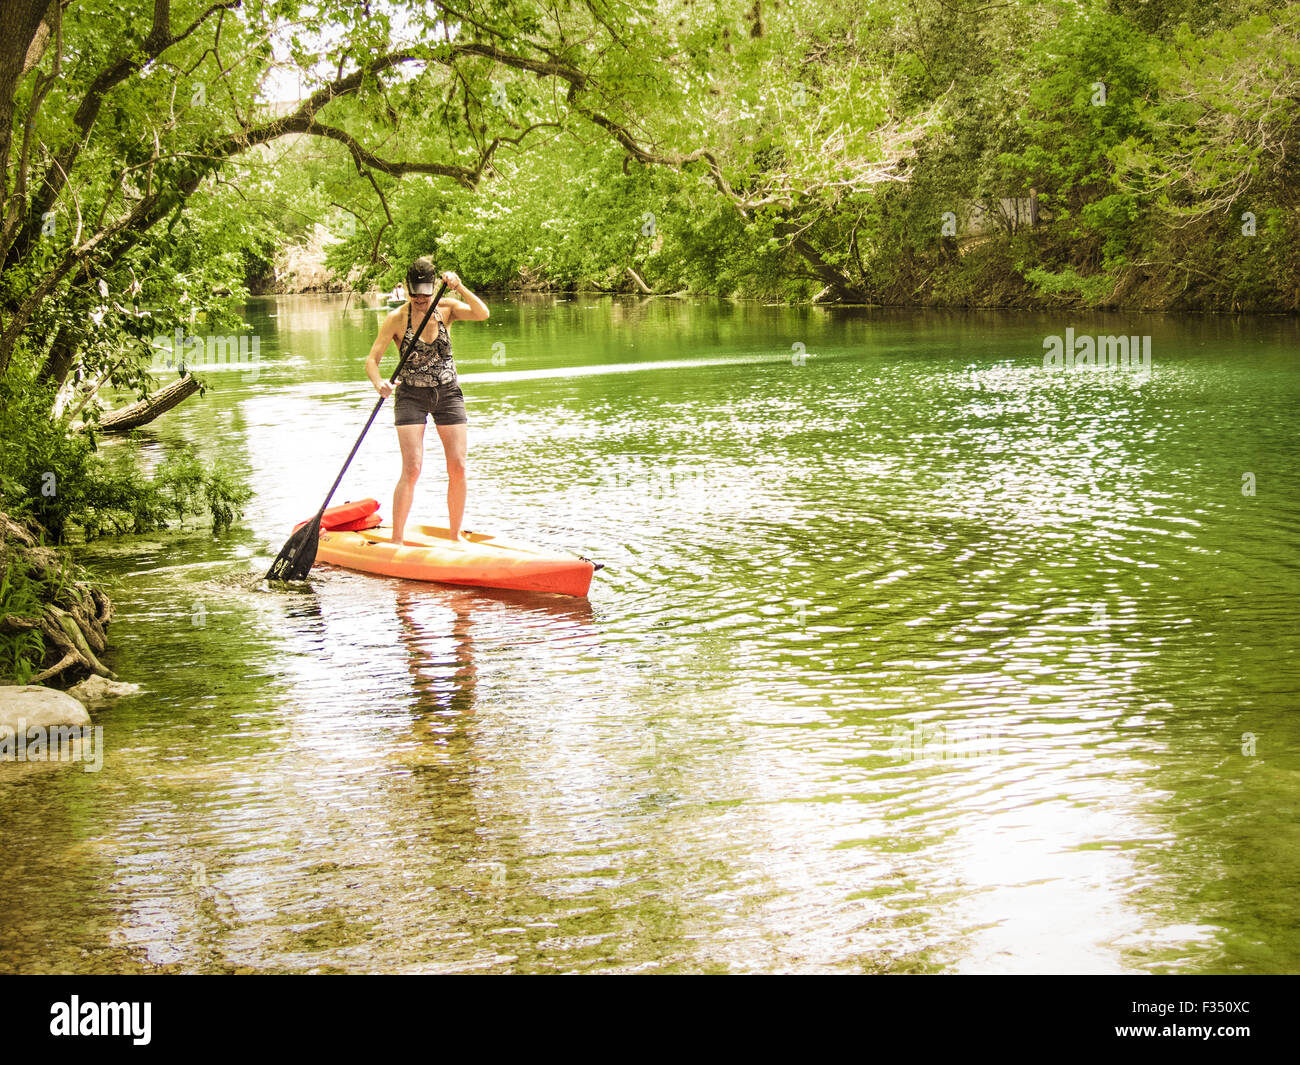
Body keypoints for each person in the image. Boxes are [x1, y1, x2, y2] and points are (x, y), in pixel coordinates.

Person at [365, 257, 489, 543]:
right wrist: (379, 383)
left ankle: (455, 535)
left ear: (434, 289)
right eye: (415, 294)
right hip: (411, 395)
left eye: (425, 294)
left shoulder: (446, 309)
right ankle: (397, 539)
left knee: (457, 465)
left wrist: (459, 287)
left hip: (448, 393)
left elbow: (482, 313)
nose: (420, 300)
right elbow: (372, 360)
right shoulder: (397, 318)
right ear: (408, 291)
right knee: (413, 467)